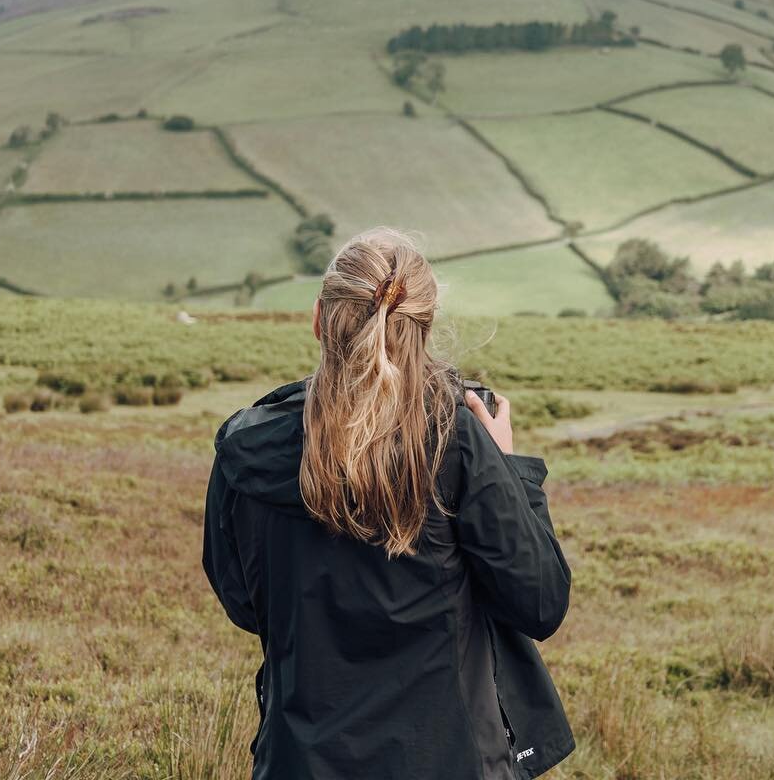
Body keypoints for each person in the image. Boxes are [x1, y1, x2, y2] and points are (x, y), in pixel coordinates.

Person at [203, 227, 573, 779]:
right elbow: (540, 604)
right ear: (423, 326)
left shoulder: (248, 447)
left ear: (318, 319)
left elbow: (244, 605)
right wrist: (511, 472)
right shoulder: (458, 443)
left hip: (300, 761)